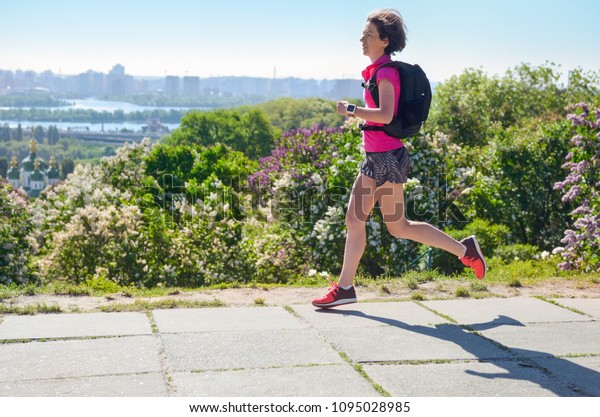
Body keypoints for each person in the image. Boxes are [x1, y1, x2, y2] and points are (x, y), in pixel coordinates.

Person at [312, 9, 486, 309]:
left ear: (384, 40)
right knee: (395, 226)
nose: (362, 40)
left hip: (386, 158)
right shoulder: (377, 72)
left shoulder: (386, 73)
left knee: (359, 220)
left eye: (368, 35)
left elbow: (386, 115)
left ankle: (345, 288)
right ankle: (464, 249)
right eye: (363, 35)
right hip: (379, 157)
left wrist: (352, 110)